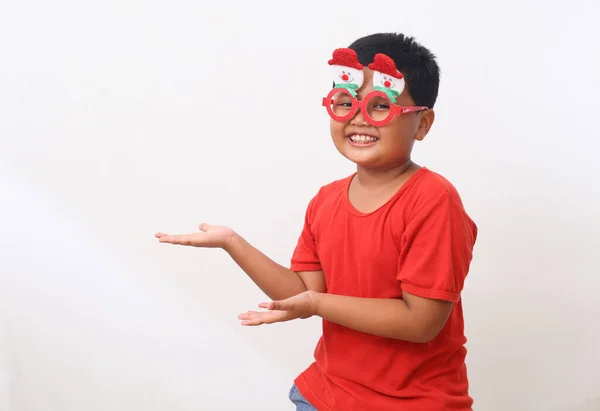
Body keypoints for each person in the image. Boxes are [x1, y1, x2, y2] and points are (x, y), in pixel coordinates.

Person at [155, 32, 478, 411]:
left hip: (411, 403)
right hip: (325, 396)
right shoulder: (325, 200)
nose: (359, 117)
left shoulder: (433, 201)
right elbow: (302, 292)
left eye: (380, 106)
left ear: (422, 124)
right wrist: (233, 243)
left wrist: (317, 303)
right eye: (345, 103)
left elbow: (420, 322)